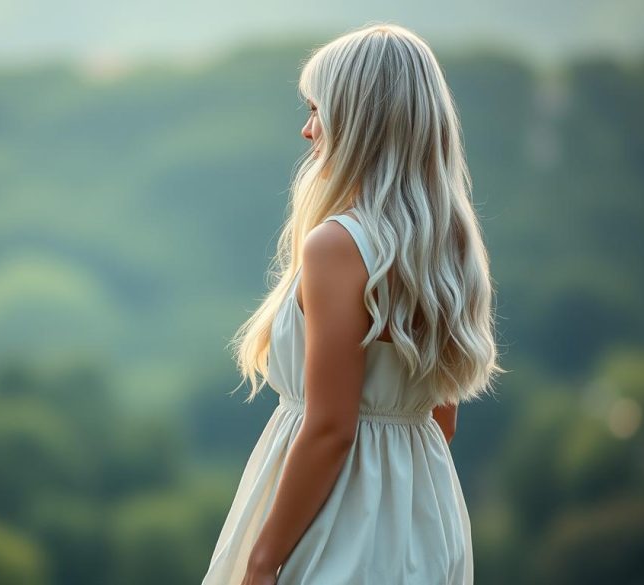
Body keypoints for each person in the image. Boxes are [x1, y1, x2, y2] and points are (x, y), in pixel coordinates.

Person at [201, 22, 505, 585]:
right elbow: (442, 418)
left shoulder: (338, 246)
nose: (307, 129)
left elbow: (330, 428)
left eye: (317, 110)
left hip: (339, 524)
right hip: (422, 518)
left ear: (358, 119)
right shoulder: (447, 245)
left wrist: (263, 560)